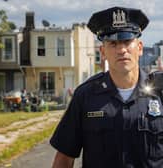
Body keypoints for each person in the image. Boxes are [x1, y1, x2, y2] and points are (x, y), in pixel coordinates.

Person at [50, 7, 163, 167]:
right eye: (113, 43)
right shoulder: (85, 96)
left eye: (127, 41)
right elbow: (64, 158)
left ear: (139, 48)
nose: (122, 50)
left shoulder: (160, 92)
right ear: (103, 52)